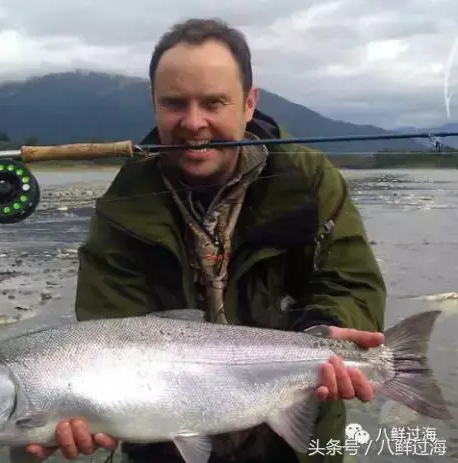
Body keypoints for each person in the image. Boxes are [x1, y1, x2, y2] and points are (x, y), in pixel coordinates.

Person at [21, 17, 386, 463]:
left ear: (249, 104)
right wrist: (85, 413)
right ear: (155, 106)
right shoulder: (123, 207)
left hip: (297, 443)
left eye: (214, 102)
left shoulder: (307, 179)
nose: (194, 123)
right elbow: (105, 330)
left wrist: (328, 327)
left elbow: (352, 281)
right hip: (164, 446)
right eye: (175, 104)